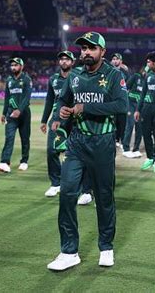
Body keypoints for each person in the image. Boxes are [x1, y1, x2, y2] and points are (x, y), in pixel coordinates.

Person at [47, 32, 128, 271]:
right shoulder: (73, 75)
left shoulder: (114, 75)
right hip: (77, 143)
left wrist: (85, 107)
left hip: (102, 143)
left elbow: (122, 105)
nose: (86, 52)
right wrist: (61, 112)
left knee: (104, 197)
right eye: (83, 48)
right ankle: (69, 251)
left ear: (102, 52)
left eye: (91, 48)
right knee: (68, 193)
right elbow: (62, 100)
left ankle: (106, 247)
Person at [40, 51, 93, 205]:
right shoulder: (53, 80)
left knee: (81, 154)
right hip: (58, 120)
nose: (63, 62)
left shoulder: (80, 76)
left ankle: (86, 190)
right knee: (52, 151)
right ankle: (56, 183)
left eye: (67, 59)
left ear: (73, 61)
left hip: (76, 119)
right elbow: (50, 101)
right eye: (61, 59)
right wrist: (45, 120)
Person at [0, 58, 32, 173]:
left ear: (21, 66)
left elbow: (27, 97)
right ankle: (5, 162)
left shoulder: (26, 79)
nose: (13, 67)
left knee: (25, 139)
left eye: (16, 65)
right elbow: (7, 98)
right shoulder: (9, 80)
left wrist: (19, 110)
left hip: (24, 114)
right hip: (11, 114)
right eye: (12, 65)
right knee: (9, 137)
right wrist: (4, 113)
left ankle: (24, 161)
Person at [122, 66, 146, 158]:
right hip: (131, 104)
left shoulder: (148, 81)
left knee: (139, 127)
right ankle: (126, 148)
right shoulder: (136, 76)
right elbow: (125, 87)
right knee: (130, 125)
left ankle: (136, 149)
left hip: (140, 107)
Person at [111, 53, 129, 149]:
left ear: (121, 61)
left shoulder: (124, 72)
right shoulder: (108, 71)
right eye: (113, 59)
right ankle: (114, 139)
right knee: (113, 121)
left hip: (121, 101)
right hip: (111, 101)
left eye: (117, 59)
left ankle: (121, 140)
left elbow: (129, 84)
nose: (115, 61)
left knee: (122, 122)